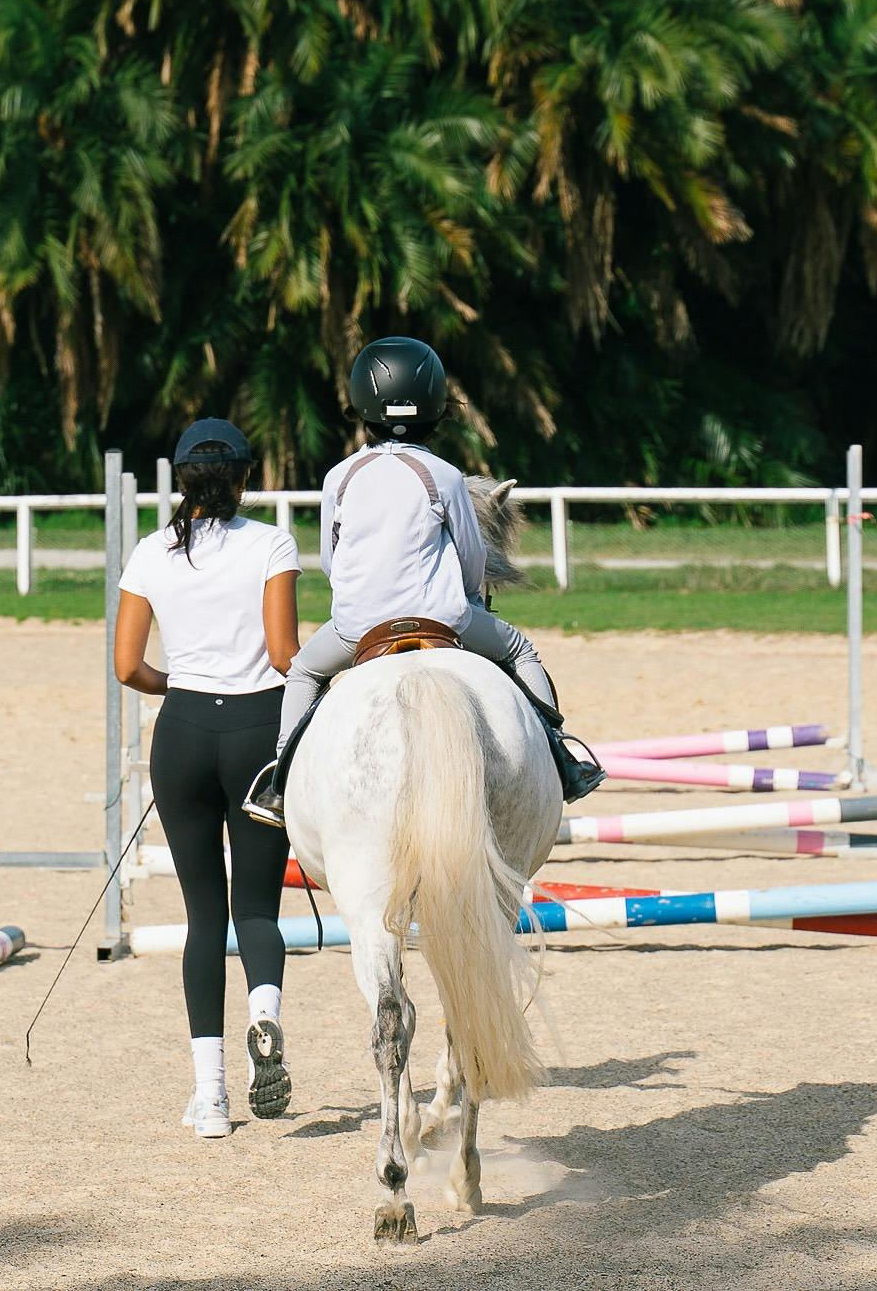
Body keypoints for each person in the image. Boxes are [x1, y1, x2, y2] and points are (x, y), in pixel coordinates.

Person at [243, 336, 605, 828]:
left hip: (357, 627)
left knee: (305, 673)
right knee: (521, 651)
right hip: (442, 619)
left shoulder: (339, 477)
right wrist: (470, 599)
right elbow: (472, 558)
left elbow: (331, 558)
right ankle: (563, 757)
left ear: (362, 408)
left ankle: (279, 780)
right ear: (435, 408)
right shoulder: (445, 475)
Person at [114, 417, 302, 1140]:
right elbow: (284, 653)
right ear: (245, 479)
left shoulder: (150, 554)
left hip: (185, 733)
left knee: (204, 918)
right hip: (258, 731)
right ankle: (265, 1012)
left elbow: (128, 666)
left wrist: (182, 686)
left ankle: (212, 1099)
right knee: (257, 909)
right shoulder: (269, 542)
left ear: (181, 481)